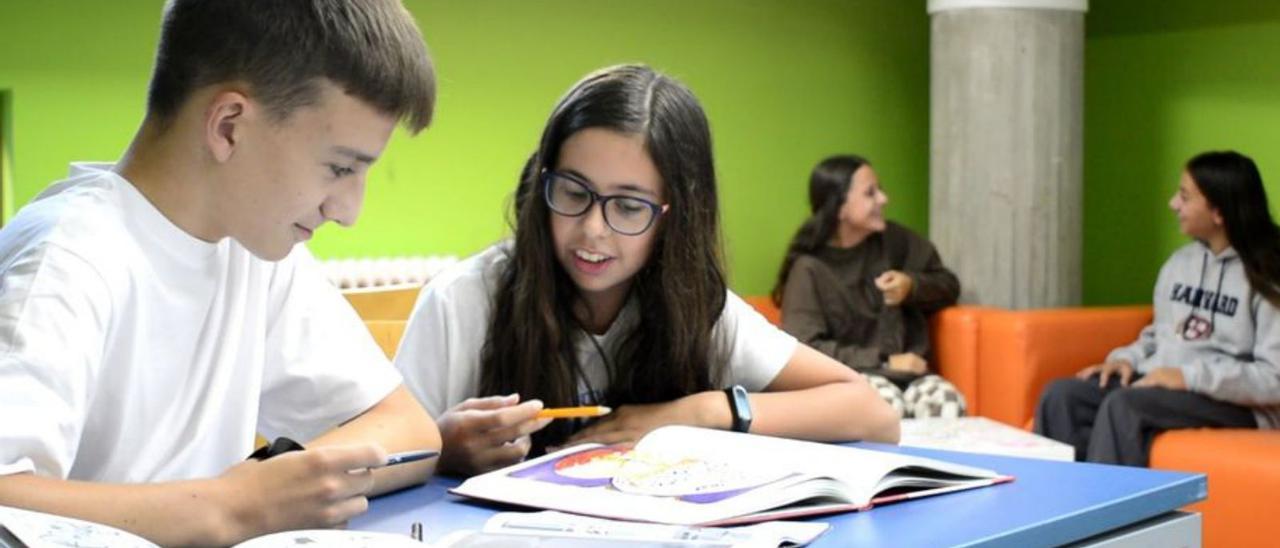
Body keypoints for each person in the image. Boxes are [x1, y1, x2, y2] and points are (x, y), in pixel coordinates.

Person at [0, 1, 441, 544]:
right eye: (340, 168)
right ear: (229, 125)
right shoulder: (64, 262)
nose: (348, 211)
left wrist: (273, 488)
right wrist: (235, 505)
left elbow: (406, 427)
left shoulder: (253, 246)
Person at [394, 64, 899, 476]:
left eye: (629, 207)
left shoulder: (697, 306)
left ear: (672, 215)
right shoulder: (461, 300)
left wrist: (698, 413)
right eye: (573, 192)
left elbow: (874, 414)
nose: (593, 229)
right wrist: (441, 447)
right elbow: (375, 462)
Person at [1036, 150, 1280, 466]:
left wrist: (1188, 377)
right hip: (1169, 387)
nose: (1173, 204)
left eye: (1185, 196)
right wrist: (1126, 359)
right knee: (1062, 396)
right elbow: (1158, 336)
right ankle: (1062, 510)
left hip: (1236, 403)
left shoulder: (1269, 276)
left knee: (1125, 406)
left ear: (1218, 211)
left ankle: (1114, 515)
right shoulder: (1180, 264)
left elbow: (1273, 378)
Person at [772, 155, 964, 418]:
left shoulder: (896, 242)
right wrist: (884, 361)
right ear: (839, 208)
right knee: (885, 407)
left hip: (913, 376)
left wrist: (912, 286)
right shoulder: (809, 269)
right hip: (851, 380)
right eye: (870, 193)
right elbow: (805, 349)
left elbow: (949, 285)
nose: (883, 199)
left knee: (948, 402)